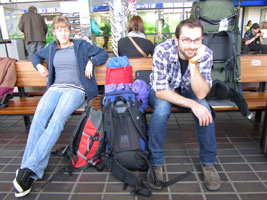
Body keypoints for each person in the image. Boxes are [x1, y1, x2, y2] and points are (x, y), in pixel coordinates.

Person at [12, 16, 108, 198]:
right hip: (55, 89)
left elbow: (102, 54)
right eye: (59, 30)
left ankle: (28, 171)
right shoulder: (50, 48)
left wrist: (91, 61)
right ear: (54, 33)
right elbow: (34, 56)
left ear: (70, 31)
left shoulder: (80, 45)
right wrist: (39, 65)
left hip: (75, 90)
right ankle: (28, 168)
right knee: (38, 120)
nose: (63, 33)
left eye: (65, 29)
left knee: (56, 121)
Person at [147, 18, 221, 191]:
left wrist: (194, 62)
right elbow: (160, 91)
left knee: (205, 109)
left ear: (202, 39)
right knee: (161, 110)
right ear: (176, 40)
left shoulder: (205, 53)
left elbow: (201, 93)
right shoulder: (162, 51)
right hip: (164, 89)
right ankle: (156, 163)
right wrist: (192, 105)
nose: (192, 45)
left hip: (189, 89)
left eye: (196, 40)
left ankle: (209, 164)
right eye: (186, 40)